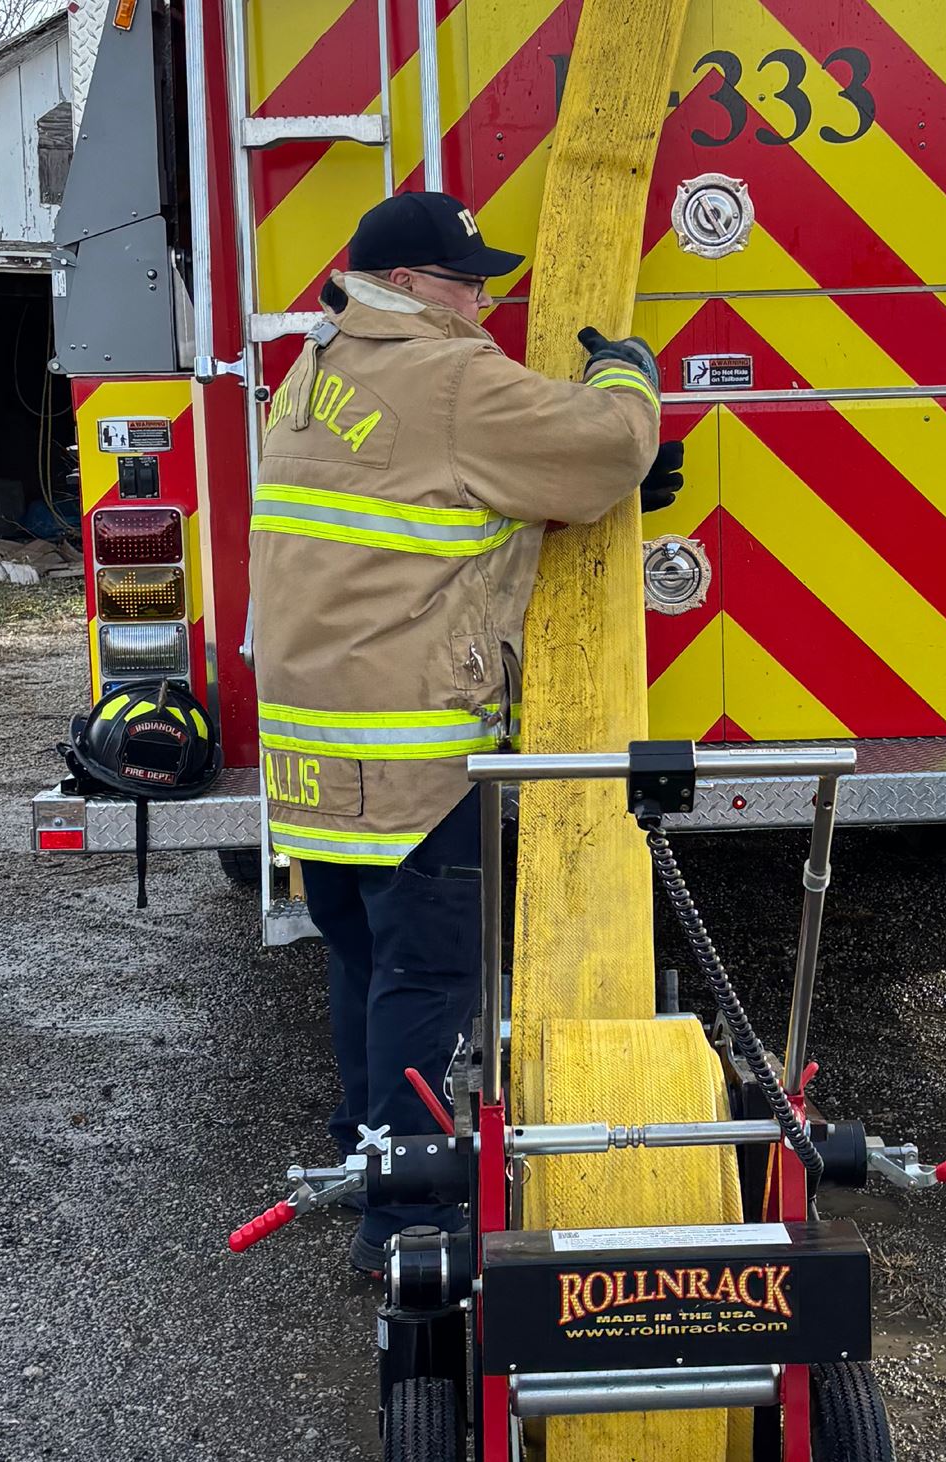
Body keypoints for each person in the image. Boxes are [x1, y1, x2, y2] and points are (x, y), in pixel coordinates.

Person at [247, 190, 683, 1273]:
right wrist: (625, 371)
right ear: (401, 284)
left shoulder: (309, 373)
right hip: (416, 758)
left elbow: (424, 499)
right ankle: (413, 1229)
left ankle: (367, 1162)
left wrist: (539, 491)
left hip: (315, 759)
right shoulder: (446, 373)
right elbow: (607, 443)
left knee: (363, 964)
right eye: (461, 279)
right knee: (430, 986)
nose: (480, 298)